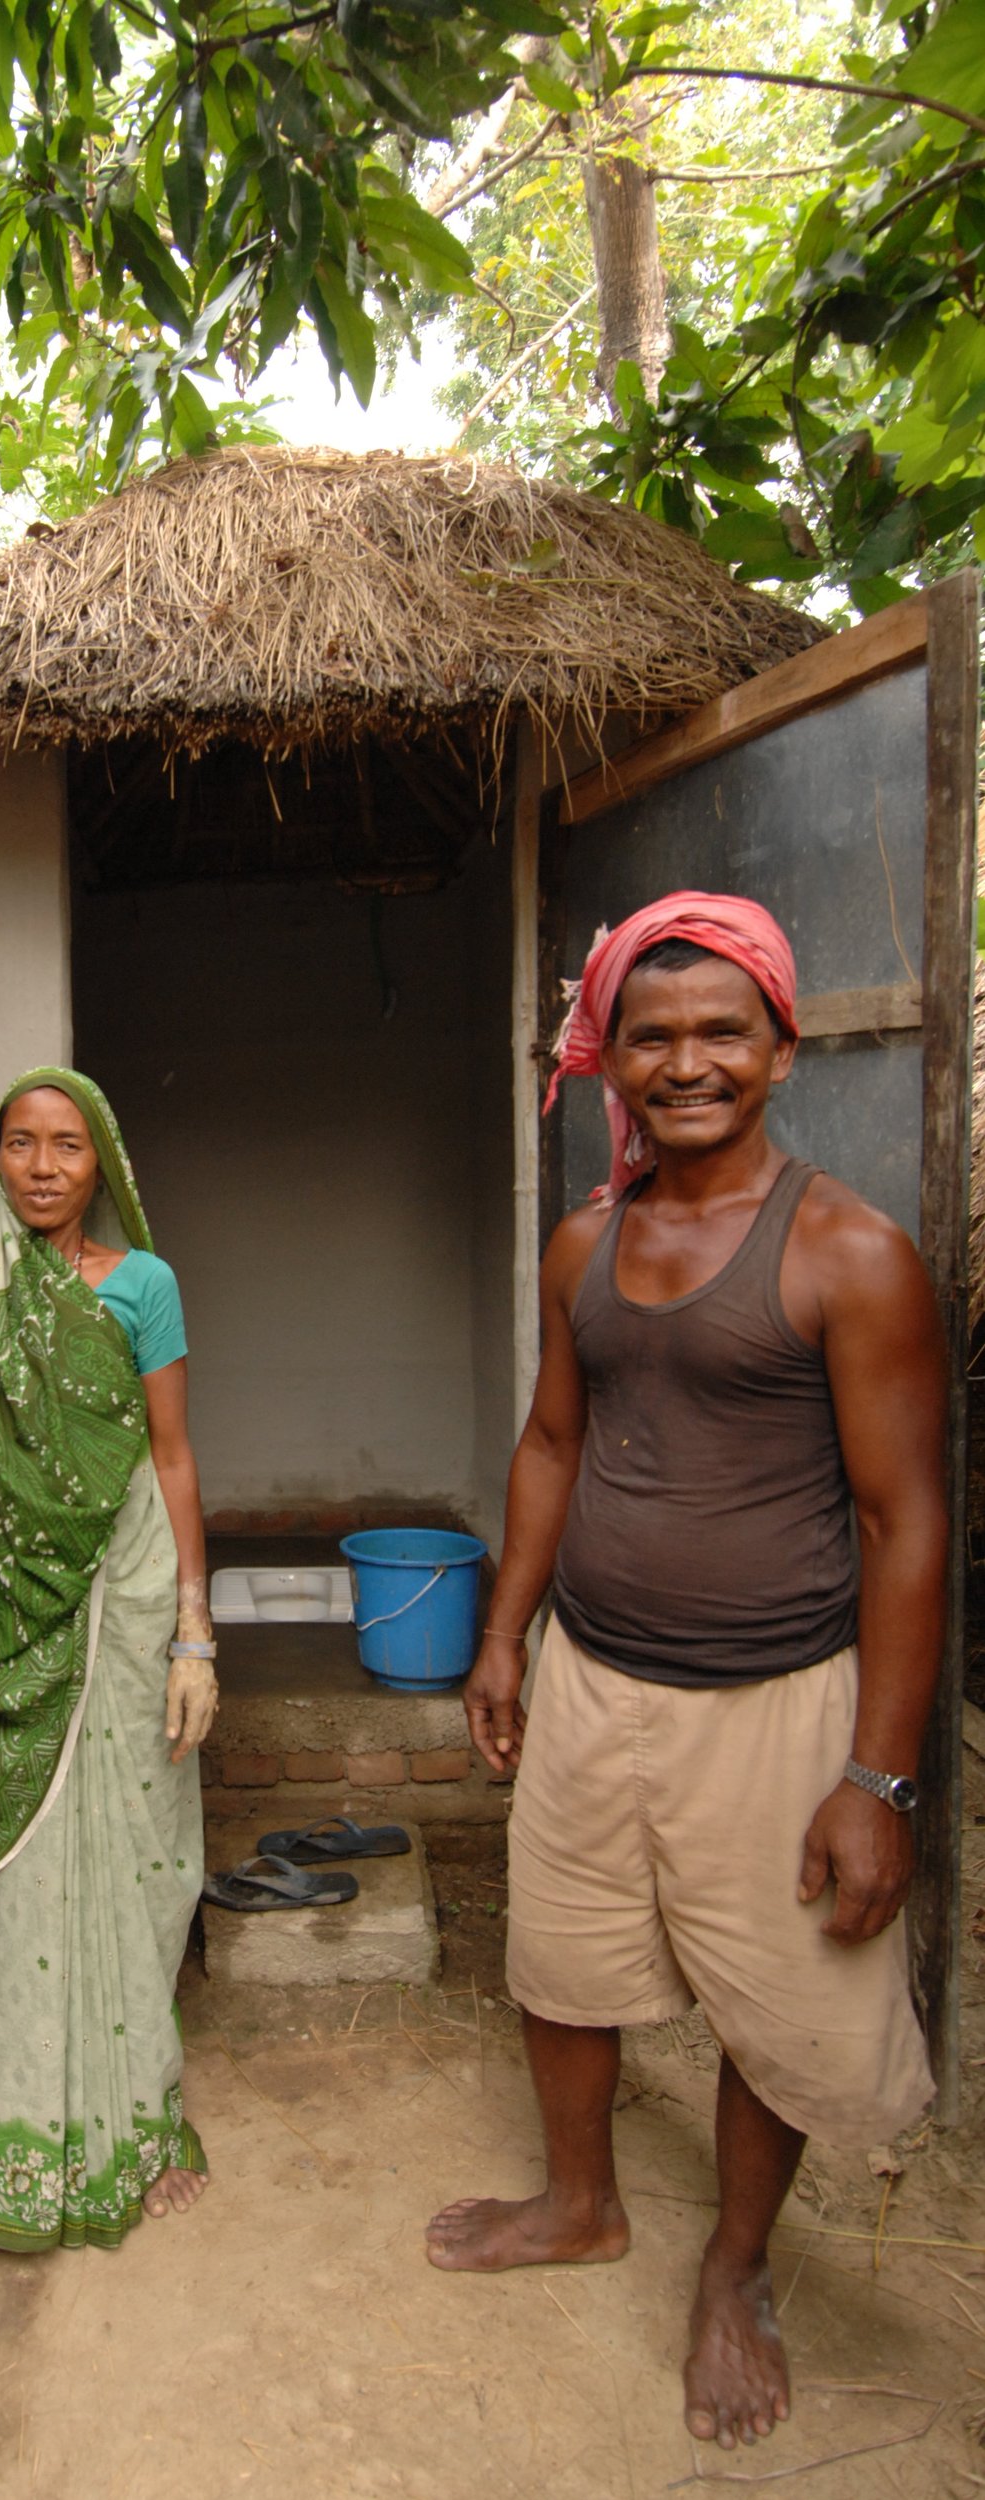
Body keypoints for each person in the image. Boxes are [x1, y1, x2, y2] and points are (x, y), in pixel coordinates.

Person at [425, 894, 944, 2455]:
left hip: (777, 1702)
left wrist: (876, 1775)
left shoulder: (850, 1253)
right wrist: (506, 1633)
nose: (687, 1061)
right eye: (651, 1035)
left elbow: (904, 1520)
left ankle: (733, 2268)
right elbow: (552, 1445)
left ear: (782, 1048)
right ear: (610, 1062)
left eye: (724, 1030)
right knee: (563, 1958)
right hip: (593, 1678)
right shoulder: (587, 1240)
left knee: (772, 2003)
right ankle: (582, 2205)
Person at [0, 1067, 219, 2249]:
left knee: (136, 1855)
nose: (40, 1166)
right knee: (2, 1879)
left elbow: (173, 1456)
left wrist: (193, 1627)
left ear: (102, 1163)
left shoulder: (143, 1286)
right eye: (19, 1143)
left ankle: (129, 2124)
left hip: (120, 1599)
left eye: (66, 1146)